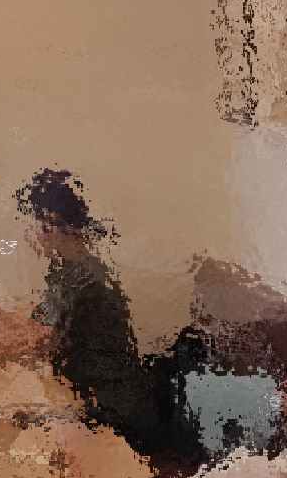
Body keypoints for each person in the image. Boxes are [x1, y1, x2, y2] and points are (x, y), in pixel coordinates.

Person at [16, 170, 193, 461]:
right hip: (92, 397)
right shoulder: (67, 270)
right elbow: (37, 327)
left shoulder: (85, 280)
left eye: (31, 219)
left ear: (52, 222)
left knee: (17, 431)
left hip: (112, 412)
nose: (27, 231)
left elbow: (35, 343)